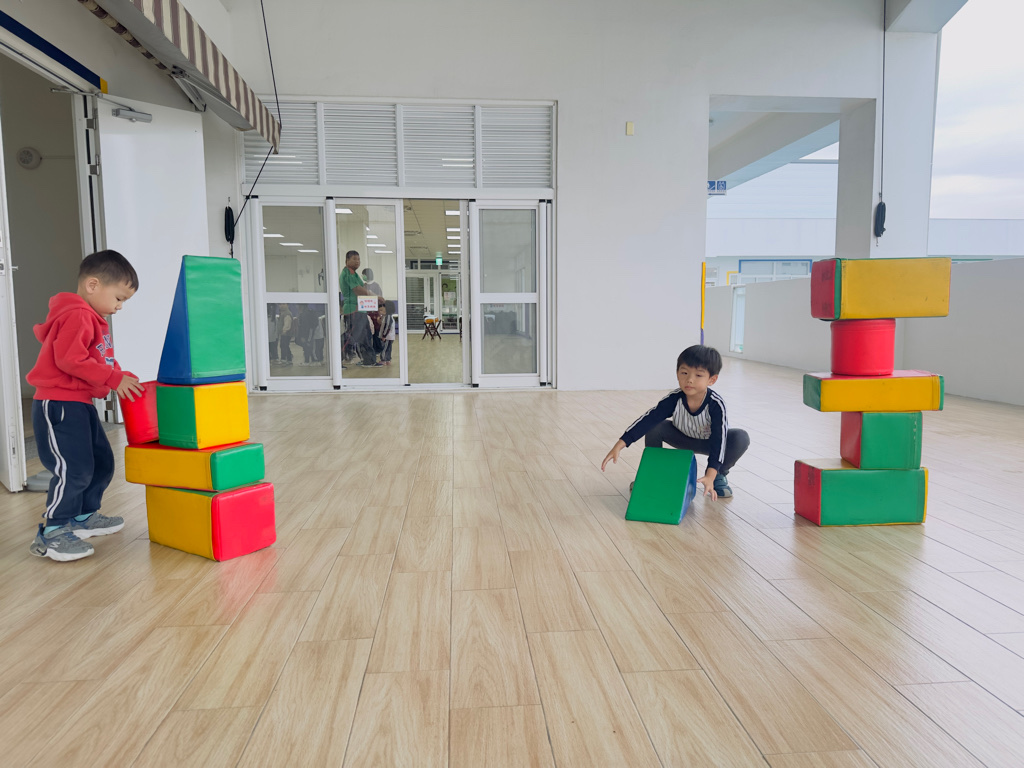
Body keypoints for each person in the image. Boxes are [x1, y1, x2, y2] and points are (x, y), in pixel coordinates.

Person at [26, 250, 145, 561]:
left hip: (81, 403)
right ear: (93, 285)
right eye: (118, 298)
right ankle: (53, 530)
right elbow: (70, 359)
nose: (120, 306)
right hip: (59, 404)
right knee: (74, 469)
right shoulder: (77, 315)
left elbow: (99, 360)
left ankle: (83, 516)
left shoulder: (93, 319)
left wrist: (119, 376)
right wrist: (112, 378)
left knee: (102, 462)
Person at [601, 344, 749, 499]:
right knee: (654, 426)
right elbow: (648, 419)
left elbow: (719, 440)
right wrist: (620, 444)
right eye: (684, 373)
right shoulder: (674, 398)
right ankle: (652, 473)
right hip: (682, 438)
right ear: (677, 374)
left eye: (698, 375)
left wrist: (711, 473)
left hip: (709, 443)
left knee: (741, 437)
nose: (689, 380)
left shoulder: (716, 404)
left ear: (712, 380)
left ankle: (718, 475)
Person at [340, 250, 375, 366]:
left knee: (366, 336)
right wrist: (374, 295)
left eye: (358, 259)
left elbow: (362, 287)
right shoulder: (347, 274)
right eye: (354, 259)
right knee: (351, 336)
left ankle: (369, 361)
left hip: (361, 309)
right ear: (347, 261)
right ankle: (336, 359)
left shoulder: (354, 274)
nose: (357, 261)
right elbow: (358, 290)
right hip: (353, 310)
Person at [376, 299, 396, 365]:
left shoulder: (388, 317)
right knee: (388, 348)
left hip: (387, 336)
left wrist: (384, 336)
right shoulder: (387, 316)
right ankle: (388, 360)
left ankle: (383, 360)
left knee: (384, 348)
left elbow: (387, 327)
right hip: (389, 336)